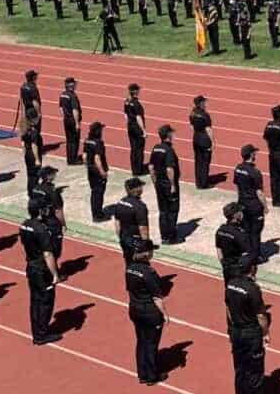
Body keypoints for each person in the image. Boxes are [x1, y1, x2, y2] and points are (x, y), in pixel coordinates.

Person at [226, 254, 271, 394]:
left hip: (236, 332)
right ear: (252, 268)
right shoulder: (253, 289)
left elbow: (228, 309)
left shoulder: (230, 284)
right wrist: (265, 333)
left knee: (240, 368)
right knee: (255, 372)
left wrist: (230, 328)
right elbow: (261, 315)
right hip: (251, 335)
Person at [125, 238, 167, 386]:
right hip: (150, 313)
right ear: (147, 253)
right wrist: (165, 314)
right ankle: (151, 375)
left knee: (141, 342)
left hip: (135, 309)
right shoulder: (148, 272)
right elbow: (157, 297)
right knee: (151, 344)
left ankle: (142, 373)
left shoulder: (130, 268)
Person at [20, 199, 61, 344]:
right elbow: (48, 254)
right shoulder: (41, 229)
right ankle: (41, 334)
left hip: (31, 266)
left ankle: (37, 331)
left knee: (35, 301)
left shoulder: (24, 225)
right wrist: (55, 274)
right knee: (45, 301)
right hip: (42, 269)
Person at [149, 125, 182, 244]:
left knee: (163, 210)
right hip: (168, 184)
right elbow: (169, 169)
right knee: (173, 210)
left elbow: (151, 166)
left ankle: (164, 235)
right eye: (172, 133)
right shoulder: (169, 150)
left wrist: (154, 181)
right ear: (168, 135)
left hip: (159, 183)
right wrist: (173, 185)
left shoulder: (156, 148)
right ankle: (171, 236)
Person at [234, 144, 267, 262]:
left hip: (243, 203)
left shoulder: (237, 168)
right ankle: (255, 255)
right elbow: (259, 192)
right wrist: (265, 206)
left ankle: (247, 250)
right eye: (254, 153)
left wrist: (239, 200)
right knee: (256, 231)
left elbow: (237, 186)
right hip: (254, 205)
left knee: (246, 229)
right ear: (252, 155)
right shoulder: (255, 172)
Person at [113, 177, 151, 266]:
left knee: (128, 262)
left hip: (124, 238)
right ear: (136, 189)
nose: (142, 188)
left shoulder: (120, 202)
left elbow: (117, 223)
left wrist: (121, 238)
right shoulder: (140, 206)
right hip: (136, 240)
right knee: (142, 264)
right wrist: (146, 245)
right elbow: (143, 228)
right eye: (140, 186)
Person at [216, 201, 253, 282]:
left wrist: (223, 263)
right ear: (235, 215)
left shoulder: (220, 230)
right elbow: (248, 254)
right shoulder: (239, 234)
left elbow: (218, 248)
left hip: (227, 267)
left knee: (229, 290)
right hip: (239, 269)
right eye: (239, 211)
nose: (241, 213)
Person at [85, 121, 110, 221]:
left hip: (90, 170)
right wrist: (102, 171)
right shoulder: (98, 143)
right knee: (99, 193)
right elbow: (97, 158)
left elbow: (84, 156)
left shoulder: (87, 141)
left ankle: (95, 212)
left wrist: (89, 167)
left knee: (94, 192)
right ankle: (98, 215)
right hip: (97, 171)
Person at [190, 95, 214, 189]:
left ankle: (198, 182)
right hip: (204, 139)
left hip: (196, 138)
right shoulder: (205, 115)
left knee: (198, 161)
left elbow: (191, 126)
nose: (205, 103)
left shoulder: (192, 113)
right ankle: (204, 184)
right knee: (205, 162)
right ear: (201, 103)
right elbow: (208, 129)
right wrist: (212, 141)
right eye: (204, 102)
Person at [124, 84, 148, 176]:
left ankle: (134, 169)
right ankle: (139, 170)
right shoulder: (136, 104)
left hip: (130, 127)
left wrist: (130, 122)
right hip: (137, 128)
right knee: (139, 149)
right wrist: (143, 130)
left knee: (133, 148)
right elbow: (138, 118)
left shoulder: (127, 101)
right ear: (136, 92)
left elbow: (125, 115)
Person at [58, 77, 83, 165]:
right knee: (74, 140)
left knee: (69, 140)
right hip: (72, 120)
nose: (76, 85)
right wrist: (76, 123)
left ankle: (69, 158)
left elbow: (60, 107)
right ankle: (73, 159)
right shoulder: (72, 96)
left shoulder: (63, 94)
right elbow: (75, 110)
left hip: (66, 120)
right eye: (74, 83)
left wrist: (65, 116)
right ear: (70, 85)